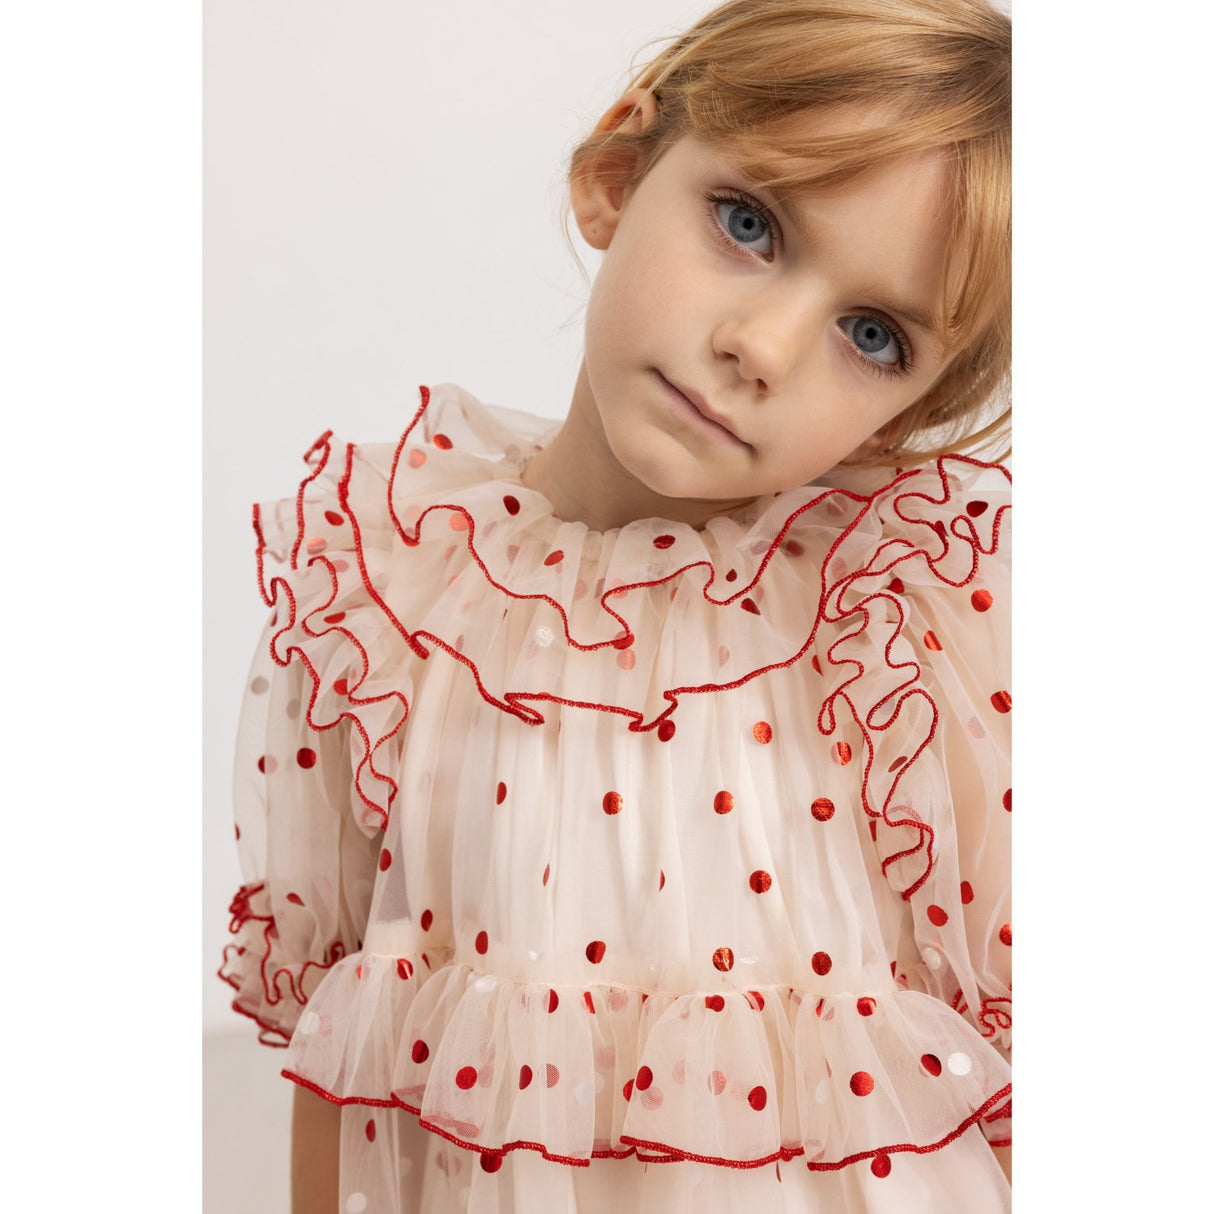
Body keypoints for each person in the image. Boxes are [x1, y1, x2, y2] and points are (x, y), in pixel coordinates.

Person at [219, 0, 1012, 1209]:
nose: (761, 346)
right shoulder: (390, 595)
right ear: (615, 174)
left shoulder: (891, 627)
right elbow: (345, 1035)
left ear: (901, 417)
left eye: (870, 334)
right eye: (747, 224)